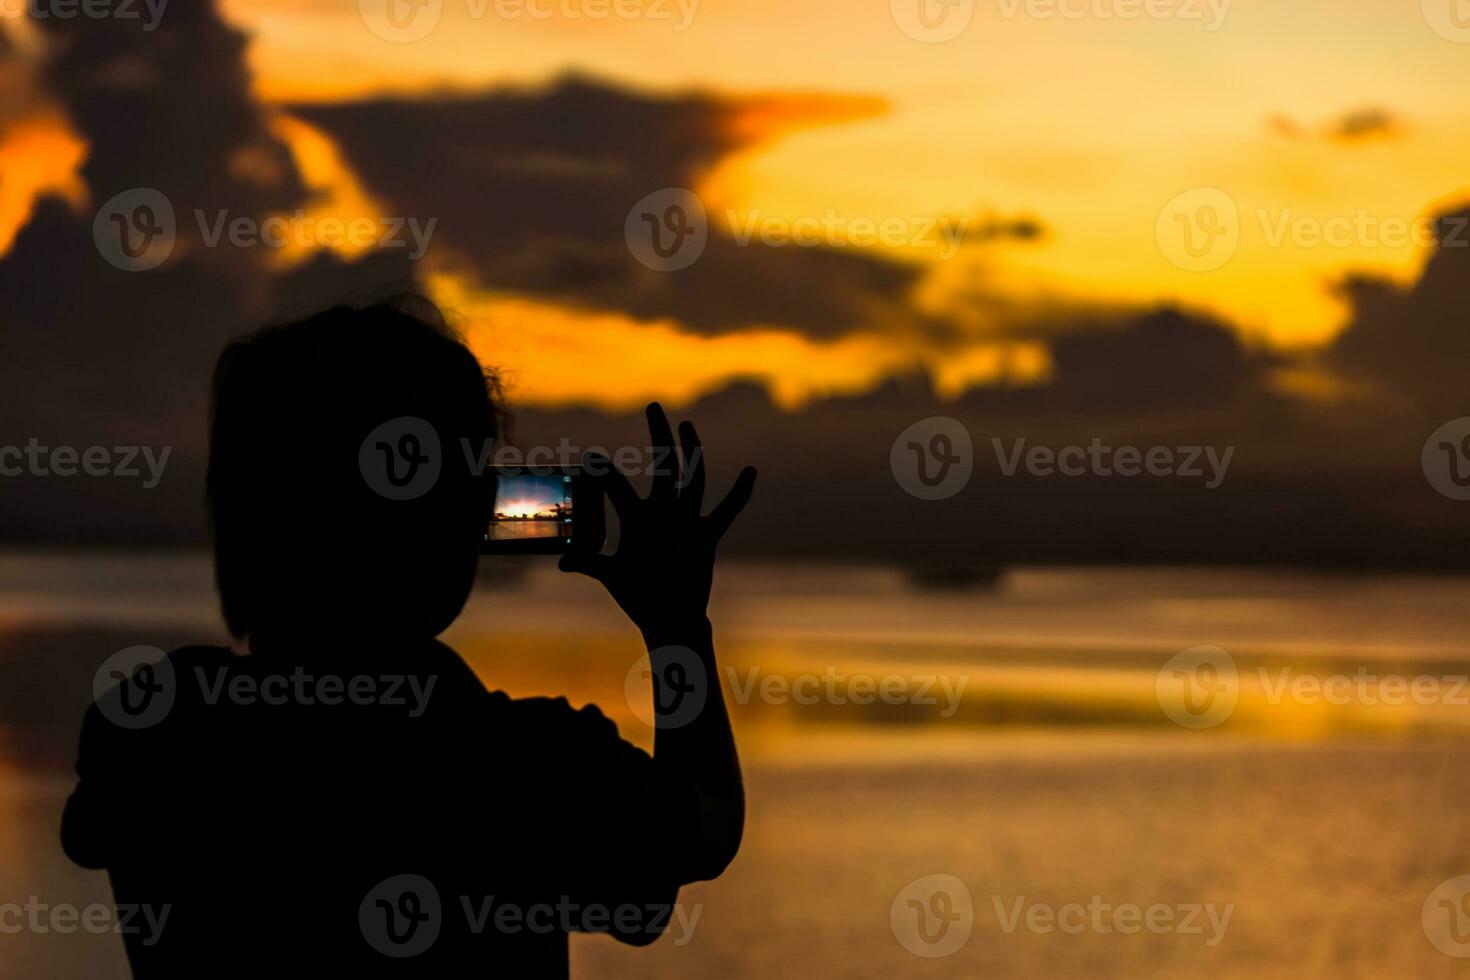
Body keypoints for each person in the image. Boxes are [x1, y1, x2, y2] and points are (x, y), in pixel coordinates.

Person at [60, 296, 756, 976]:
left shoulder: (153, 731)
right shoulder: (526, 769)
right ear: (447, 523)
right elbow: (705, 831)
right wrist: (674, 627)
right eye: (475, 483)